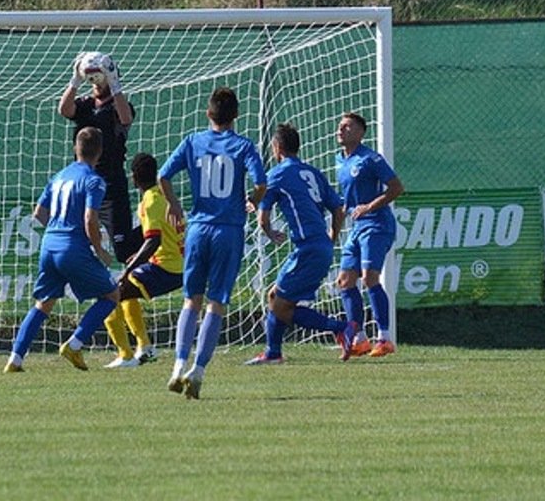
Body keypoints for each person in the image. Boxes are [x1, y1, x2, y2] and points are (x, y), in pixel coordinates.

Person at [160, 86, 266, 399]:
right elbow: (261, 182)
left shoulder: (193, 141)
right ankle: (199, 370)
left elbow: (163, 176)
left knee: (191, 300)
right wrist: (252, 199)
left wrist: (176, 206)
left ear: (208, 114)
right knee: (216, 303)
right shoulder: (244, 146)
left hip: (197, 228)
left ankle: (178, 364)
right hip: (228, 230)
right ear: (235, 116)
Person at [3, 126, 121, 372]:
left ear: (75, 149)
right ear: (100, 152)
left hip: (49, 244)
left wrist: (57, 232)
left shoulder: (58, 177)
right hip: (72, 247)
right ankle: (75, 344)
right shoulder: (93, 180)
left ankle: (15, 359)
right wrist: (99, 250)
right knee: (111, 295)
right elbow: (90, 219)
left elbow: (39, 213)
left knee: (43, 303)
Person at [245, 123, 355, 365]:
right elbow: (338, 208)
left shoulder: (276, 175)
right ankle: (273, 352)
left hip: (307, 248)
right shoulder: (313, 173)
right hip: (318, 247)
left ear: (277, 148)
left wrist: (270, 232)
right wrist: (331, 238)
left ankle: (341, 327)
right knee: (275, 296)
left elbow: (262, 217)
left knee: (280, 305)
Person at [102, 152, 183, 368]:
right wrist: (137, 258)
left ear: (133, 178)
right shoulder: (165, 195)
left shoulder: (151, 200)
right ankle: (144, 348)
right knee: (128, 295)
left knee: (110, 294)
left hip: (165, 269)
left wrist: (130, 266)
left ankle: (125, 356)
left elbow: (153, 241)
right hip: (175, 266)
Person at [334, 112, 403, 358]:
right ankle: (360, 340)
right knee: (344, 281)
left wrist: (370, 207)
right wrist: (333, 231)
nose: (340, 130)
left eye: (347, 127)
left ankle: (385, 338)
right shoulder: (340, 161)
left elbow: (397, 188)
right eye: (340, 126)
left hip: (377, 224)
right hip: (356, 228)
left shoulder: (370, 159)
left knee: (369, 277)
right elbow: (344, 202)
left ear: (360, 133)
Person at [59, 51, 134, 262]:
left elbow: (126, 118)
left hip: (111, 185)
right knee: (76, 244)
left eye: (101, 76)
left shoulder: (118, 105)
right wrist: (75, 80)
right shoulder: (85, 105)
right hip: (83, 182)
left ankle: (157, 232)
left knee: (123, 250)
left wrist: (114, 83)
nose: (96, 82)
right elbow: (64, 110)